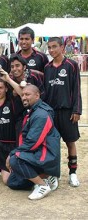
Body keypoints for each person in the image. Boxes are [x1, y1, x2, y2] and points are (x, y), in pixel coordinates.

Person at [6, 84, 60, 200]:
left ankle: (42, 185)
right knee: (13, 182)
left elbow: (32, 143)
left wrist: (12, 154)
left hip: (45, 155)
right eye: (23, 95)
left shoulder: (41, 114)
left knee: (16, 159)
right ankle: (46, 175)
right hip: (36, 152)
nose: (24, 97)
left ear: (37, 95)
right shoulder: (32, 110)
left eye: (27, 94)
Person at [44, 37, 82, 187]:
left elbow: (76, 88)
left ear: (62, 47)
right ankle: (54, 174)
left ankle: (73, 173)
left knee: (70, 142)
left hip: (67, 112)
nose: (52, 50)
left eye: (54, 47)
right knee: (52, 144)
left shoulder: (71, 66)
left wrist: (77, 110)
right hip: (51, 112)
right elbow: (45, 91)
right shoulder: (47, 67)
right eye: (49, 47)